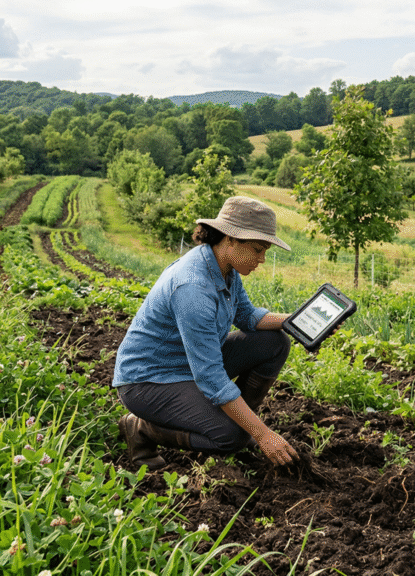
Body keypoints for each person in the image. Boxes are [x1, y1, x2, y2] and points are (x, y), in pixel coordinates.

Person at [113, 195, 299, 468]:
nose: (262, 259)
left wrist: (294, 321)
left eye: (265, 252)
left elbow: (246, 316)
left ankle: (238, 419)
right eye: (258, 250)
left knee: (274, 342)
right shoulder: (193, 288)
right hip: (149, 381)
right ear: (231, 238)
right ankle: (140, 428)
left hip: (186, 364)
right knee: (233, 437)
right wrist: (262, 434)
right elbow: (210, 376)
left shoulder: (224, 267)